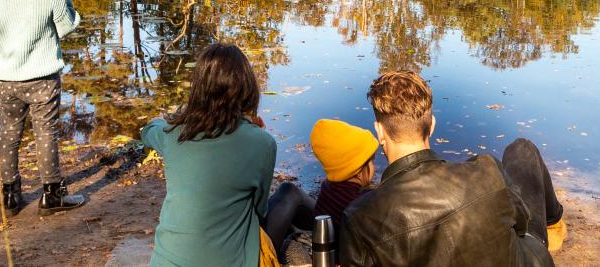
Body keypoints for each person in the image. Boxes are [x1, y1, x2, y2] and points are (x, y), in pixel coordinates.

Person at [339, 71, 567, 266]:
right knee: (522, 149)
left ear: (379, 131)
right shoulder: (486, 169)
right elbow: (521, 224)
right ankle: (554, 222)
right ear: (433, 124)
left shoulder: (360, 217)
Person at [145, 43, 309, 267]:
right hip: (234, 260)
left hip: (166, 262)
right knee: (289, 194)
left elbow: (148, 130)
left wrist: (172, 119)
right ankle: (334, 229)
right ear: (247, 87)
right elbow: (259, 210)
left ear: (198, 90)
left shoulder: (173, 134)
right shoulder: (262, 143)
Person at [0, 0, 85, 216]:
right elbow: (67, 26)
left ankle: (10, 196)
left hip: (6, 79)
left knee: (9, 134)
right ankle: (52, 195)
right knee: (45, 134)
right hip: (42, 79)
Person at [309, 118, 378, 231]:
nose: (373, 167)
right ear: (358, 170)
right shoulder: (359, 204)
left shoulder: (327, 186)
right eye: (371, 161)